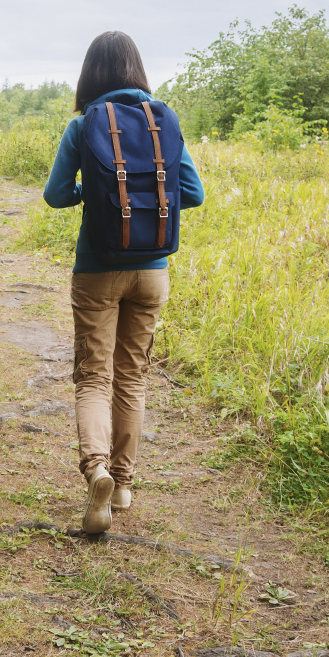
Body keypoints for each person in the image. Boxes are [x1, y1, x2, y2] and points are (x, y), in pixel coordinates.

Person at [42, 31, 205, 534]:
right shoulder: (164, 122)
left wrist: (94, 192)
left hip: (97, 268)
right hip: (153, 271)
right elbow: (193, 194)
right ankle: (126, 483)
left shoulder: (83, 126)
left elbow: (54, 196)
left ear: (91, 74)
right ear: (136, 69)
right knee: (131, 377)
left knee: (94, 377)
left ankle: (96, 470)